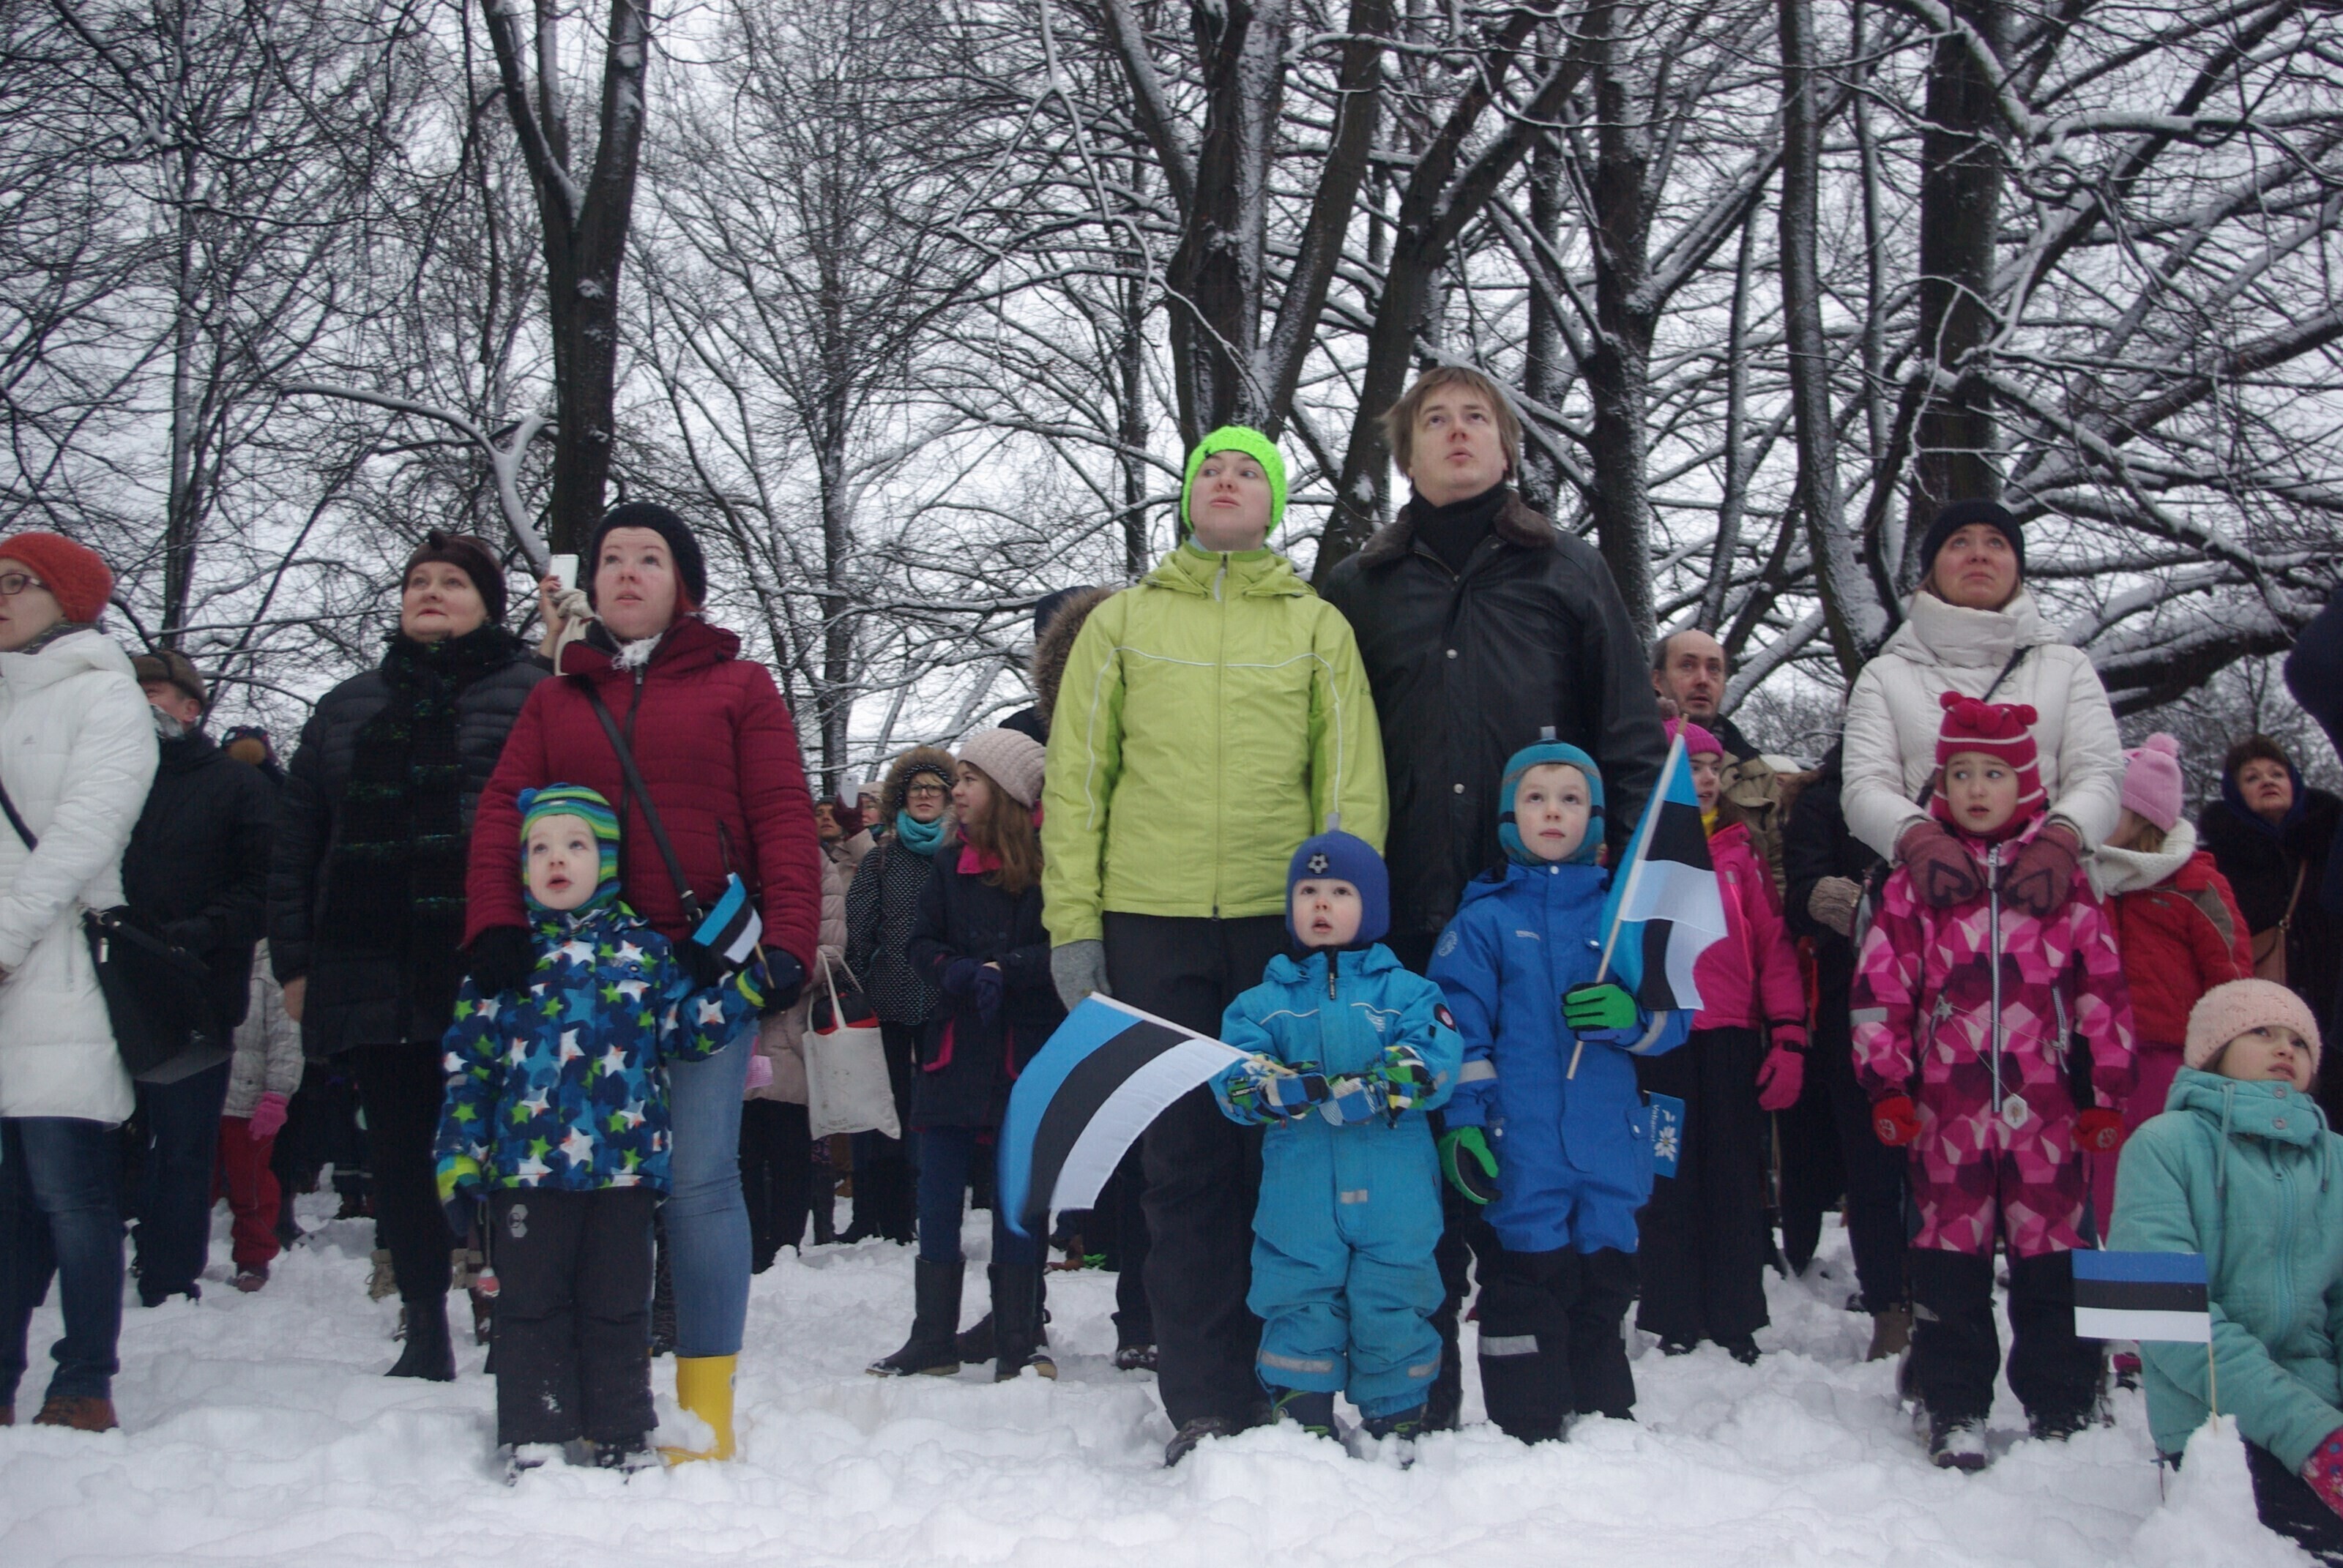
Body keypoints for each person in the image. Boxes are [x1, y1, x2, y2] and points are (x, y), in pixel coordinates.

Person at [1319, 366, 1666, 1428]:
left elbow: (1629, 741)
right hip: (1408, 920)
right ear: (1406, 454)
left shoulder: (1568, 568)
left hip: (1550, 929)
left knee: (1540, 1157)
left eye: (1478, 416)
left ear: (1509, 446)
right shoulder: (1358, 588)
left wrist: (1630, 918)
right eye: (1435, 419)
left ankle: (1555, 1382)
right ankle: (1418, 1396)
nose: (1458, 431)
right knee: (1416, 1162)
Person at [1041, 425, 1386, 1465]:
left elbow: (1347, 780)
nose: (1226, 481)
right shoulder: (1121, 624)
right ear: (1187, 495)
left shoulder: (1317, 626)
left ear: (1274, 502)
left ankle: (1289, 1380)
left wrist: (1345, 921)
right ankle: (1202, 1395)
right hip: (1149, 922)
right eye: (1209, 469)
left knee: (1284, 1155)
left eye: (1248, 471)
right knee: (1183, 1161)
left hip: (1280, 925)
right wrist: (1074, 926)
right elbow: (1078, 782)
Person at [466, 501, 822, 1460]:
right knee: (581, 1188)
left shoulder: (740, 685)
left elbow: (782, 813)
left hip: (702, 970)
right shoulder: (555, 699)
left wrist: (787, 941)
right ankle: (571, 1395)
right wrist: (495, 921)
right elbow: (501, 811)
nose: (627, 571)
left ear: (684, 585)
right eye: (612, 556)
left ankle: (705, 1408)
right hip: (577, 988)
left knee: (700, 1182)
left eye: (650, 558)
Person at [269, 530, 544, 1381]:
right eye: (418, 581)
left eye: (452, 582)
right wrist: (295, 964)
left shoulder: (535, 693)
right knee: (399, 1151)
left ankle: (511, 1312)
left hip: (493, 958)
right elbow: (298, 840)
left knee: (508, 1144)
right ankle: (424, 1326)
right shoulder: (347, 706)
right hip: (372, 962)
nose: (430, 592)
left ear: (487, 605)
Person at [436, 785, 765, 1476]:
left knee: (618, 1307)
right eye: (540, 848)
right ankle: (536, 1430)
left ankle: (621, 1429)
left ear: (607, 860)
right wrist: (458, 1156)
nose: (556, 860)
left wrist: (743, 994)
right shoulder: (506, 962)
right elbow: (470, 1067)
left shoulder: (645, 954)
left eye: (575, 845)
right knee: (531, 1307)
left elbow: (683, 1029)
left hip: (624, 1170)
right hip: (526, 1171)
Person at [1852, 692, 2136, 1470]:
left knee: (2053, 1258)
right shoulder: (1916, 885)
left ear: (2027, 785)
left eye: (1994, 774)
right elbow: (1879, 989)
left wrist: (2104, 1091)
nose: (1977, 789)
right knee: (1948, 1260)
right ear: (1941, 784)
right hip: (1948, 1109)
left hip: (2046, 1109)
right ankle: (1953, 1406)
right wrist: (1888, 1083)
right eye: (1961, 774)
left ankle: (2063, 1400)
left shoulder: (2062, 882)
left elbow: (2102, 989)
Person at [1427, 738, 1690, 1443]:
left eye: (1571, 799)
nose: (1552, 812)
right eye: (1535, 798)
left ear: (1594, 818)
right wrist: (1464, 1122)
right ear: (1508, 817)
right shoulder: (1482, 922)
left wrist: (1633, 1017)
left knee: (1604, 1282)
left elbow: (1675, 1016)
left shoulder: (1620, 918)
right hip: (1524, 1146)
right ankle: (1528, 1420)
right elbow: (1458, 1033)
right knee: (1525, 1282)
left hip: (1609, 1144)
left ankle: (1604, 1415)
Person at [1210, 828, 1460, 1456]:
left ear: (1372, 906)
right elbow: (1232, 1077)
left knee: (1394, 1296)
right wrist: (1271, 1088)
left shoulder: (1409, 993)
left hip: (1395, 1195)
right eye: (1308, 892)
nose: (1321, 903)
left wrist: (1383, 1086)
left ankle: (1397, 1422)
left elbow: (1437, 1056)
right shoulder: (1260, 1005)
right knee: (1298, 1294)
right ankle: (1304, 1420)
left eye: (1341, 892)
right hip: (1301, 1195)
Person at [0, 532, 158, 1433]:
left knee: (69, 1193)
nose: (1, 596)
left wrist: (7, 936)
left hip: (61, 968)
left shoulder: (105, 695)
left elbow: (86, 832)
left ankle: (84, 1378)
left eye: (18, 582)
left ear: (68, 598)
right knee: (6, 1202)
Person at [2109, 979, 2343, 1560]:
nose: (2285, 1048)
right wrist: (2313, 1435)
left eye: (2300, 1041)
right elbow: (2166, 1319)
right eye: (2262, 1032)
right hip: (2213, 1427)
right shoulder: (2160, 1146)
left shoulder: (2336, 1159)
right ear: (2214, 1048)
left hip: (2327, 1416)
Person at [868, 729, 1065, 1382]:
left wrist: (1009, 969)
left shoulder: (1050, 867)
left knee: (1016, 1194)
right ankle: (932, 1335)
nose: (956, 791)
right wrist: (953, 971)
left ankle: (1017, 1336)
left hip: (1021, 1051)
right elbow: (920, 942)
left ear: (1005, 792)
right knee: (938, 1192)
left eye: (970, 779)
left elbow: (1063, 946)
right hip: (954, 1049)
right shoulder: (950, 865)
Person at [1841, 500, 2125, 922]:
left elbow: (2100, 774)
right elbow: (1865, 786)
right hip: (1926, 912)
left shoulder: (2067, 666)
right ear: (1931, 569)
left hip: (2052, 909)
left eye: (1996, 543)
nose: (1979, 554)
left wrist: (2063, 838)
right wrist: (1916, 838)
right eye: (1959, 543)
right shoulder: (1884, 675)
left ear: (2017, 567)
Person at [1633, 720, 1805, 1364]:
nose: (1705, 781)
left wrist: (1788, 1034)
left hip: (1730, 1039)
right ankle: (1672, 1314)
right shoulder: (1642, 853)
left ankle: (1736, 1317)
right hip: (1664, 1042)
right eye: (1690, 769)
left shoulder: (1740, 853)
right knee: (1668, 1175)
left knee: (1733, 1180)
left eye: (1713, 769)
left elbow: (1774, 947)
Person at [119, 648, 275, 1306]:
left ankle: (168, 1277)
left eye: (152, 694)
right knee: (95, 1140)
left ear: (190, 708)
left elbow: (264, 885)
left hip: (195, 991)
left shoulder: (236, 786)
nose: (138, 706)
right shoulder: (104, 777)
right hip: (101, 987)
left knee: (184, 1147)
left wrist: (199, 932)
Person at [2089, 734, 2251, 1231]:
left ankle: (2173, 1258)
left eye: (2110, 805)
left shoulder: (2195, 883)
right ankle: (2110, 1262)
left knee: (2167, 1176)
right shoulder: (2083, 878)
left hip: (2172, 1061)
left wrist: (2229, 1055)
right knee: (2103, 1181)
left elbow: (2230, 974)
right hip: (2096, 1060)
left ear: (2144, 817)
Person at [1781, 740, 1910, 1359]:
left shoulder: (1954, 789)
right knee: (1874, 1165)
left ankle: (1944, 1296)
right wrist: (1876, 913)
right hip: (1855, 1003)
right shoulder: (1826, 802)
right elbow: (1801, 893)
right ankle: (1891, 1305)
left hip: (1950, 1005)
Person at [843, 746, 958, 1247]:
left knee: (935, 1109)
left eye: (935, 789)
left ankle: (925, 1210)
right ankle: (880, 1213)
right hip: (887, 994)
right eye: (916, 789)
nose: (925, 796)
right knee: (885, 1104)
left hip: (944, 996)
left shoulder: (958, 855)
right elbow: (860, 924)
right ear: (901, 798)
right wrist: (861, 975)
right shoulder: (882, 857)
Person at [2198, 734, 2339, 1119]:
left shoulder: (2332, 848)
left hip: (2334, 1018)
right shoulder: (2217, 862)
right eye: (2252, 777)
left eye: (2277, 773)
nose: (2267, 781)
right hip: (2262, 1025)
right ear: (2235, 794)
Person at [741, 818, 850, 1269]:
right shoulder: (730, 855)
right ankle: (749, 1250)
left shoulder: (814, 863)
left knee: (789, 1146)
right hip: (735, 1023)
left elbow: (833, 946)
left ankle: (786, 1246)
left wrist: (784, 979)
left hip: (791, 1024)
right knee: (742, 1149)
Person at [216, 938, 302, 1291]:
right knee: (190, 1182)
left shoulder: (271, 964)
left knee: (250, 1185)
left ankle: (253, 1257)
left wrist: (277, 1094)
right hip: (201, 1091)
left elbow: (287, 1036)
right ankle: (173, 1253)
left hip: (250, 1099)